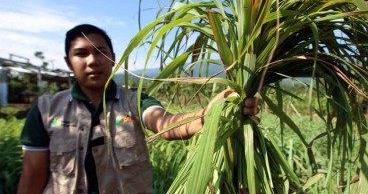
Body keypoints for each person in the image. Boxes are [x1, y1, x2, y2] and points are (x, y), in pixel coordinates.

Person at [17, 24, 259, 194]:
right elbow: (32, 176)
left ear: (113, 57)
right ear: (68, 62)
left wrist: (212, 111)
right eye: (81, 53)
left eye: (100, 51)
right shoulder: (46, 109)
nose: (92, 60)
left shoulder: (134, 101)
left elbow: (165, 124)